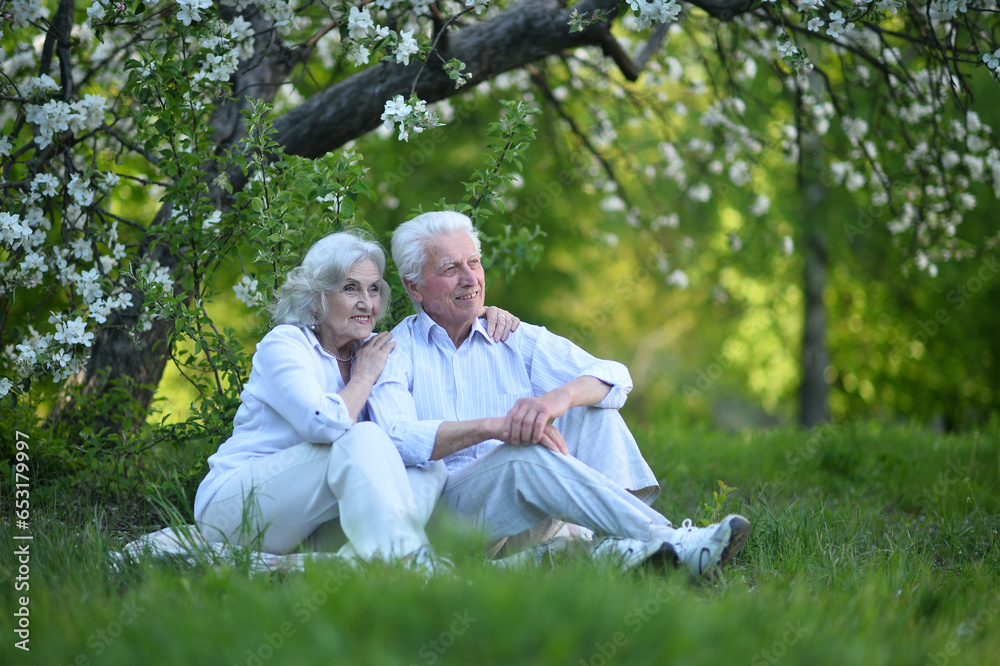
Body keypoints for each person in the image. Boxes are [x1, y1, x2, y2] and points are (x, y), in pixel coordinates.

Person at [367, 211, 751, 580]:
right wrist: (496, 428)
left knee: (593, 411)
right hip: (451, 519)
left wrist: (555, 402)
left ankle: (615, 547)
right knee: (524, 454)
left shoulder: (510, 335)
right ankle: (663, 540)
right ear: (413, 286)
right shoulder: (394, 351)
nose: (471, 279)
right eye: (451, 269)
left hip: (520, 522)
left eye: (474, 263)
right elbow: (397, 439)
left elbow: (613, 376)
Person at [193, 230, 518, 568]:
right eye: (351, 289)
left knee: (427, 466)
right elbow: (323, 424)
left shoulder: (375, 348)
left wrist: (476, 312)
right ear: (317, 296)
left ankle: (377, 557)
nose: (367, 302)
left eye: (374, 289)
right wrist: (363, 377)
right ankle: (413, 564)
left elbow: (406, 431)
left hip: (310, 521)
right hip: (238, 509)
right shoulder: (285, 344)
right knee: (364, 436)